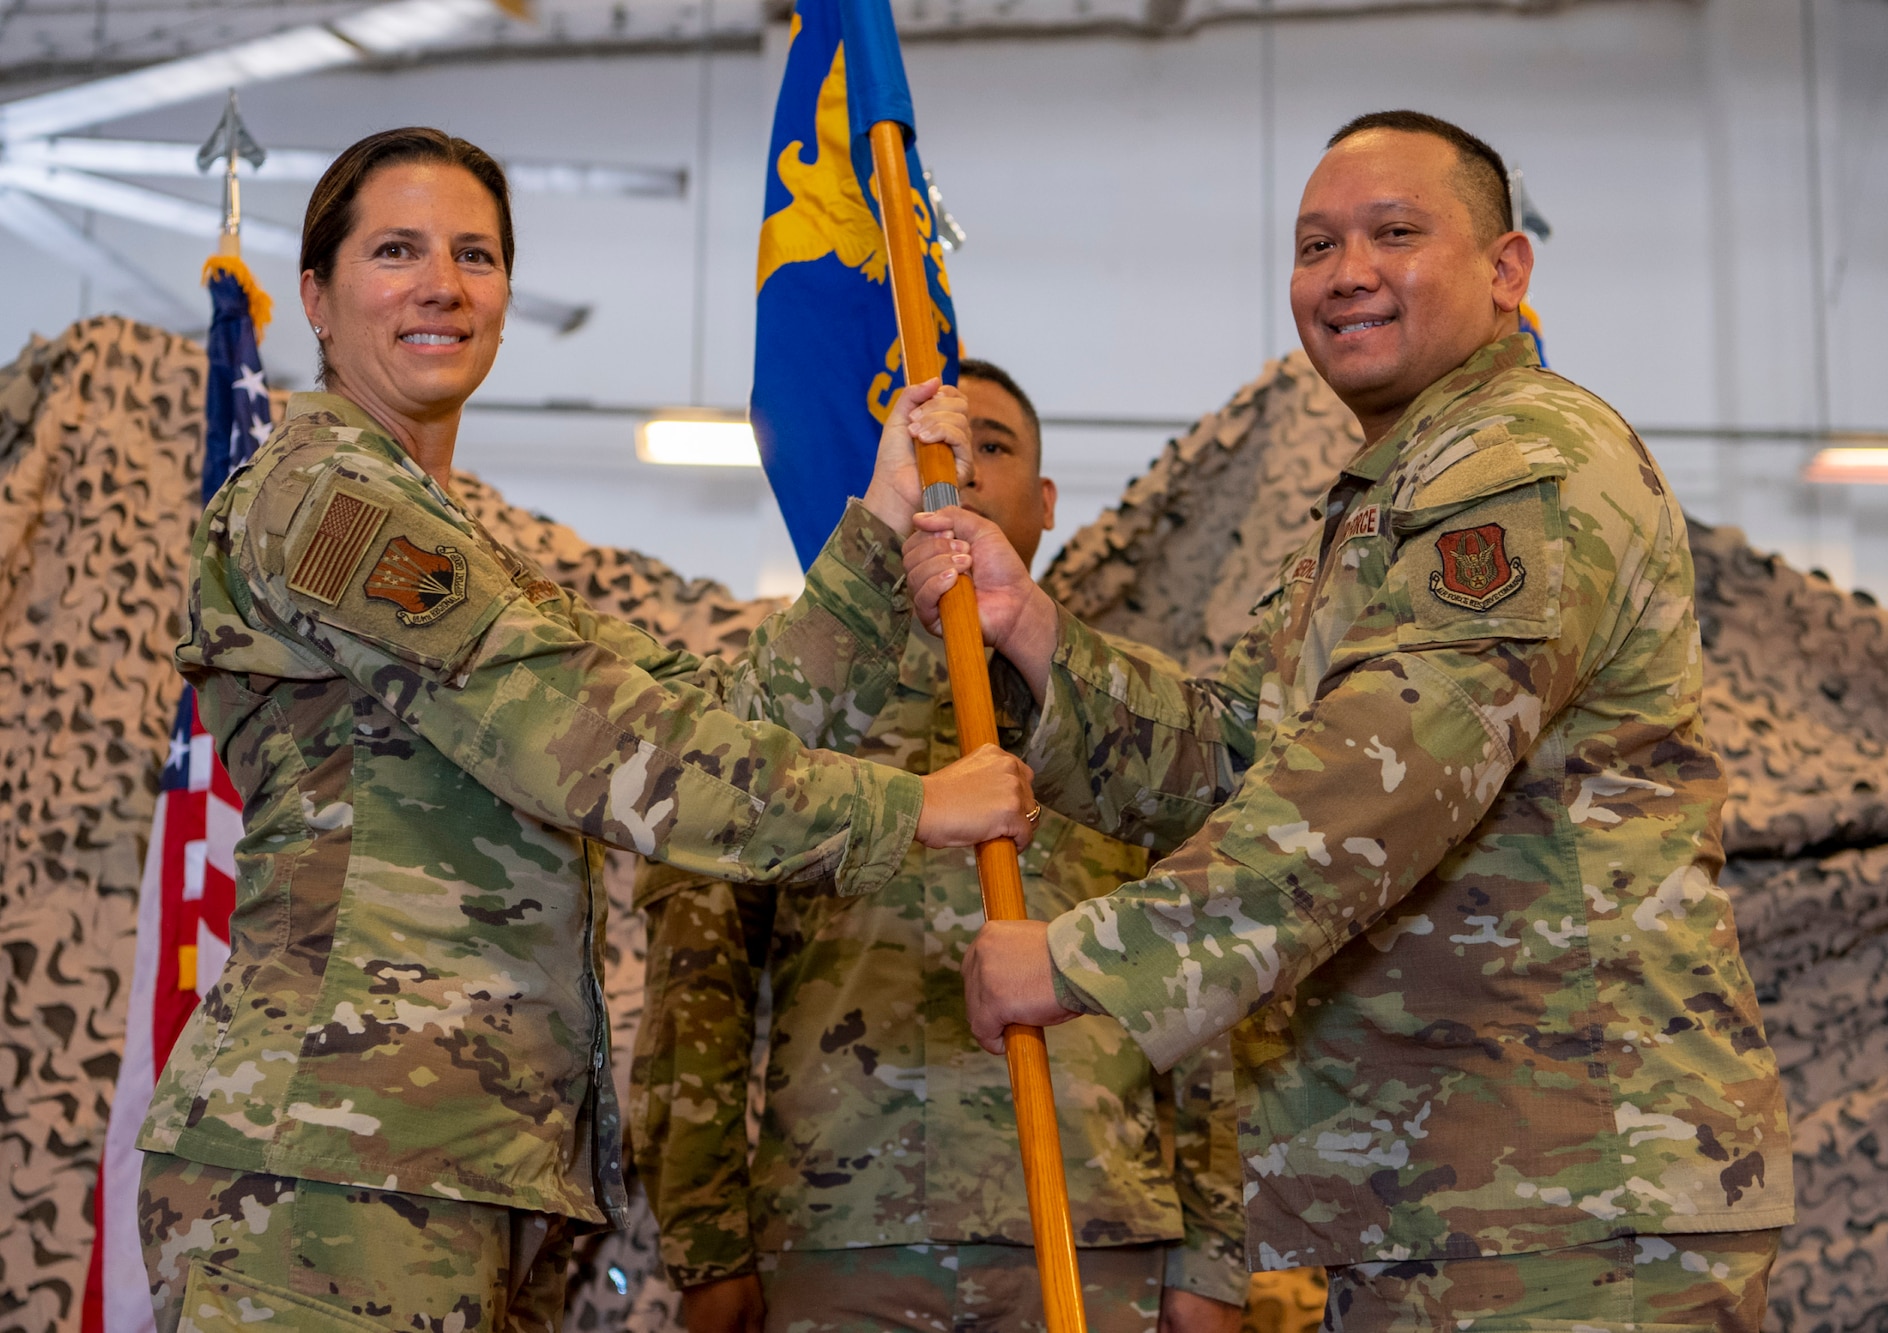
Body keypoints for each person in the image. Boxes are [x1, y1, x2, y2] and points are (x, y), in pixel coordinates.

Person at [136, 126, 1037, 1333]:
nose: (443, 286)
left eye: (475, 255)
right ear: (316, 294)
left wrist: (875, 527)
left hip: (456, 1164)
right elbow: (598, 745)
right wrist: (914, 808)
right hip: (324, 1169)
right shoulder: (323, 501)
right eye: (396, 251)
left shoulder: (474, 551)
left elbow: (720, 715)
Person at [910, 111, 1795, 1330]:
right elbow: (1238, 755)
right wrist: (1033, 633)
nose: (1346, 272)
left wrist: (1077, 959)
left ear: (1505, 269)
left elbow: (1375, 778)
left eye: (1394, 232)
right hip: (1453, 1192)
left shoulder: (1524, 462)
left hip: (1575, 1195)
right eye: (1315, 244)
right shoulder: (1388, 498)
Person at [633, 360, 1249, 1333]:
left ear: (1045, 505)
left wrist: (1211, 1259)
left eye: (985, 446)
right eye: (931, 445)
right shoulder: (803, 705)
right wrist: (705, 1246)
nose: (950, 469)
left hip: (1089, 1227)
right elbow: (698, 984)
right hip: (844, 1233)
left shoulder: (1135, 721)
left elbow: (1206, 979)